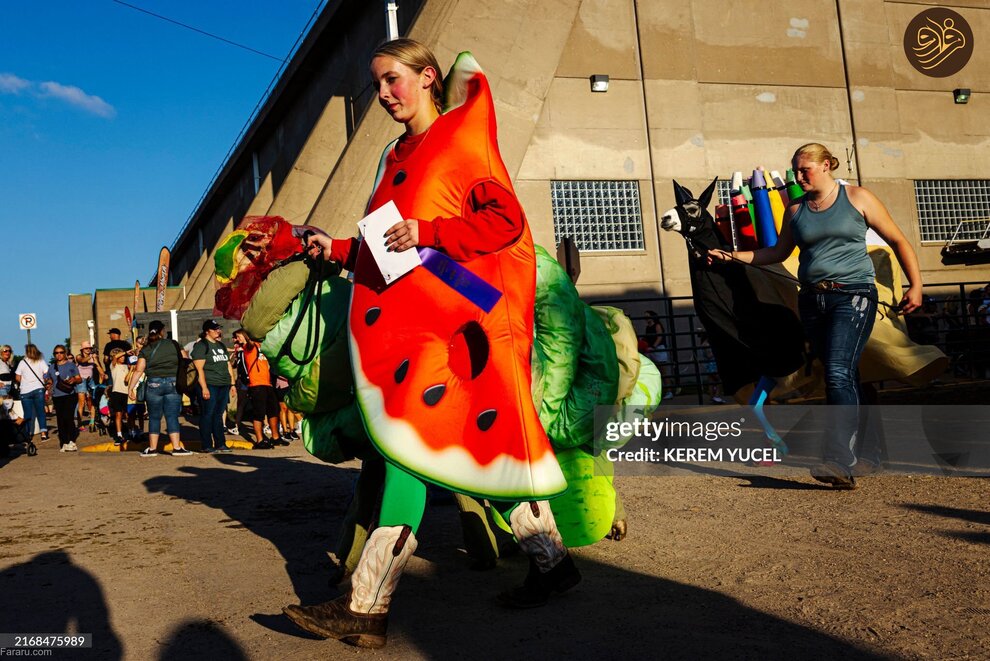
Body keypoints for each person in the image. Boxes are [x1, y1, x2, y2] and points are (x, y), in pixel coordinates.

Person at [284, 39, 579, 648]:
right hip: (418, 333)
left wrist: (431, 230)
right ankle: (555, 564)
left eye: (393, 80)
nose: (385, 94)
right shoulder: (394, 154)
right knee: (467, 455)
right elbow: (385, 243)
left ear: (427, 77)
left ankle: (366, 606)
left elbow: (506, 222)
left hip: (458, 332)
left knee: (406, 456)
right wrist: (333, 248)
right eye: (377, 85)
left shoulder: (458, 139)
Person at [709, 142, 923, 488]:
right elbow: (776, 252)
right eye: (795, 169)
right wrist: (729, 255)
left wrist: (916, 285)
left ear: (826, 166)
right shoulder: (795, 209)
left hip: (852, 296)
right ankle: (869, 453)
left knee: (838, 373)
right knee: (847, 376)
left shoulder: (858, 198)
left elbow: (898, 241)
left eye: (804, 169)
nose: (798, 176)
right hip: (812, 300)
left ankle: (839, 459)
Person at [129, 320, 192, 457]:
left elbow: (139, 370)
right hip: (173, 383)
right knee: (172, 416)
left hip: (153, 384)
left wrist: (130, 389)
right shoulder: (173, 344)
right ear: (162, 331)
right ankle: (176, 448)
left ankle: (152, 449)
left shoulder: (146, 349)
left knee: (154, 417)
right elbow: (185, 359)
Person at [232, 329, 285, 449]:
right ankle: (259, 440)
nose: (237, 339)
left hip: (268, 383)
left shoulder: (261, 346)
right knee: (259, 413)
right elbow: (250, 341)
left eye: (239, 336)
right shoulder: (247, 347)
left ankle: (276, 437)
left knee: (274, 411)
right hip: (256, 384)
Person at [191, 320, 233, 454]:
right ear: (207, 331)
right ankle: (206, 445)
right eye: (215, 329)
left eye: (219, 329)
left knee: (218, 414)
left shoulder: (220, 345)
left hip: (223, 384)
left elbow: (227, 364)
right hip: (210, 384)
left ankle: (220, 443)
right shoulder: (201, 345)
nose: (218, 331)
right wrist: (204, 387)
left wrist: (232, 383)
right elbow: (199, 369)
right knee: (207, 414)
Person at [47, 345, 81, 452]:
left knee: (68, 418)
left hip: (70, 394)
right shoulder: (52, 367)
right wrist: (48, 384)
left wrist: (73, 380)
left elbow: (79, 379)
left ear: (65, 353)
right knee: (60, 420)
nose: (59, 355)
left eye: (61, 352)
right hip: (57, 396)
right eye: (56, 353)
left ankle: (71, 440)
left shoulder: (71, 365)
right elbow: (50, 380)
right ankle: (64, 442)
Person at [14, 344, 50, 443]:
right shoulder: (40, 361)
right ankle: (43, 434)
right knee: (41, 412)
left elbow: (17, 377)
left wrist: (25, 381)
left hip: (25, 391)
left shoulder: (22, 362)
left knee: (27, 414)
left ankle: (29, 434)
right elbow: (46, 373)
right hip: (38, 389)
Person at [75, 341, 105, 429]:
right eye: (86, 348)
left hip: (90, 380)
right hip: (81, 380)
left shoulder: (93, 357)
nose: (88, 350)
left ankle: (92, 421)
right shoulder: (79, 356)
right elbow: (82, 360)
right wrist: (91, 356)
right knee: (81, 402)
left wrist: (102, 373)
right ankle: (80, 423)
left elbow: (98, 367)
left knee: (92, 400)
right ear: (82, 349)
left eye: (90, 348)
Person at [107, 349, 130, 445]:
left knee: (129, 414)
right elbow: (115, 357)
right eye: (121, 356)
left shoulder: (127, 366)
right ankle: (119, 435)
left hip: (127, 392)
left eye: (124, 356)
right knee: (118, 414)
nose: (123, 357)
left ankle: (130, 432)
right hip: (117, 392)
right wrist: (126, 352)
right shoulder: (113, 366)